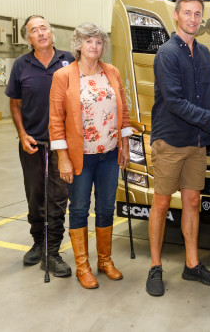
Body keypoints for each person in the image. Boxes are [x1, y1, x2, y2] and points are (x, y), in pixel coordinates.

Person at [145, 0, 210, 297]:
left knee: (192, 202)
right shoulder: (167, 53)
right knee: (161, 204)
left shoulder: (203, 53)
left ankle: (192, 264)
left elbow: (204, 95)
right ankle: (155, 266)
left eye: (197, 14)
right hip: (171, 140)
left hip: (197, 140)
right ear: (176, 16)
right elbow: (175, 102)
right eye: (187, 13)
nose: (192, 18)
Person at [48, 22, 132, 289]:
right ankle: (82, 266)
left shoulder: (112, 72)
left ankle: (104, 260)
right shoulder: (63, 76)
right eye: (88, 41)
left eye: (98, 41)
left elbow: (124, 110)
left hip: (109, 153)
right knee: (80, 209)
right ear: (78, 45)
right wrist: (63, 157)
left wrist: (125, 145)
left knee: (106, 207)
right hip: (80, 157)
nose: (94, 46)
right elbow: (55, 120)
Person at [5, 15, 74, 277]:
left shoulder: (69, 60)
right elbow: (15, 103)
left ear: (52, 32)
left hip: (62, 145)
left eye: (44, 28)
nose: (41, 33)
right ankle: (38, 242)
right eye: (34, 30)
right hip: (33, 143)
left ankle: (52, 251)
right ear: (28, 38)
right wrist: (22, 134)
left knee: (58, 198)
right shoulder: (21, 65)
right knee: (35, 196)